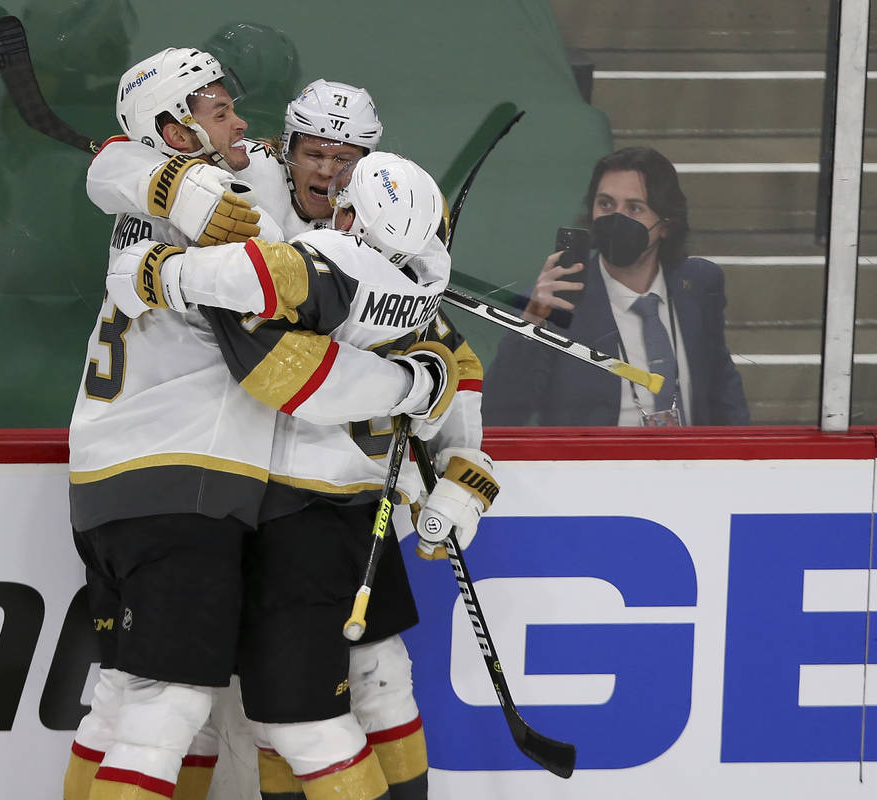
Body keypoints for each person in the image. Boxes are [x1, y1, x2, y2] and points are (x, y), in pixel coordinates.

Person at [65, 51, 459, 800]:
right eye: (219, 109)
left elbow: (117, 168)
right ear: (179, 131)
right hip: (191, 477)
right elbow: (282, 373)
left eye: (350, 160)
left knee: (138, 699)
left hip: (127, 473)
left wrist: (162, 202)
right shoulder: (241, 190)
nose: (239, 120)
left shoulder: (218, 186)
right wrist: (412, 382)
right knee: (188, 709)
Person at [482, 146, 750, 427]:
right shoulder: (557, 301)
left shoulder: (698, 284)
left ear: (666, 225)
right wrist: (531, 326)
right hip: (597, 467)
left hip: (691, 465)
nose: (616, 218)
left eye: (634, 208)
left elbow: (724, 392)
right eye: (606, 205)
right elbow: (498, 415)